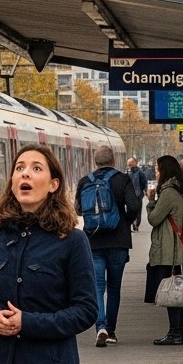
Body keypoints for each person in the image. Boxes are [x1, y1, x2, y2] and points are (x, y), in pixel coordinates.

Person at [0, 144, 97, 364]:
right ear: (13, 183)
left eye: (36, 168)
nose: (25, 173)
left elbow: (86, 310)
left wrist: (28, 323)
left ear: (54, 184)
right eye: (19, 168)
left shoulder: (72, 240)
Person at [77, 145, 141, 348]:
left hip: (93, 242)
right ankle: (111, 331)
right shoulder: (122, 179)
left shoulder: (85, 181)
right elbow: (134, 206)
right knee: (114, 288)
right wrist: (124, 221)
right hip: (118, 241)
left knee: (97, 287)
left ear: (95, 161)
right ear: (113, 160)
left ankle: (100, 327)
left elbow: (78, 210)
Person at [143, 154, 183, 345]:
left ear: (165, 170)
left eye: (158, 168)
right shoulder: (181, 188)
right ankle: (178, 332)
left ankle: (175, 333)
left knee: (173, 293)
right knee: (180, 291)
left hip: (170, 251)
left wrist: (150, 202)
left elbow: (154, 218)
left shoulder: (169, 192)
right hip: (179, 250)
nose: (156, 172)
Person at [125, 156, 148, 231]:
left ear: (135, 163)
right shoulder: (127, 172)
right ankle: (131, 223)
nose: (129, 165)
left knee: (138, 210)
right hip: (129, 195)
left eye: (131, 163)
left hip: (138, 194)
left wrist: (144, 190)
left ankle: (136, 224)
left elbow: (144, 182)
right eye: (128, 163)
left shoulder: (140, 173)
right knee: (129, 210)